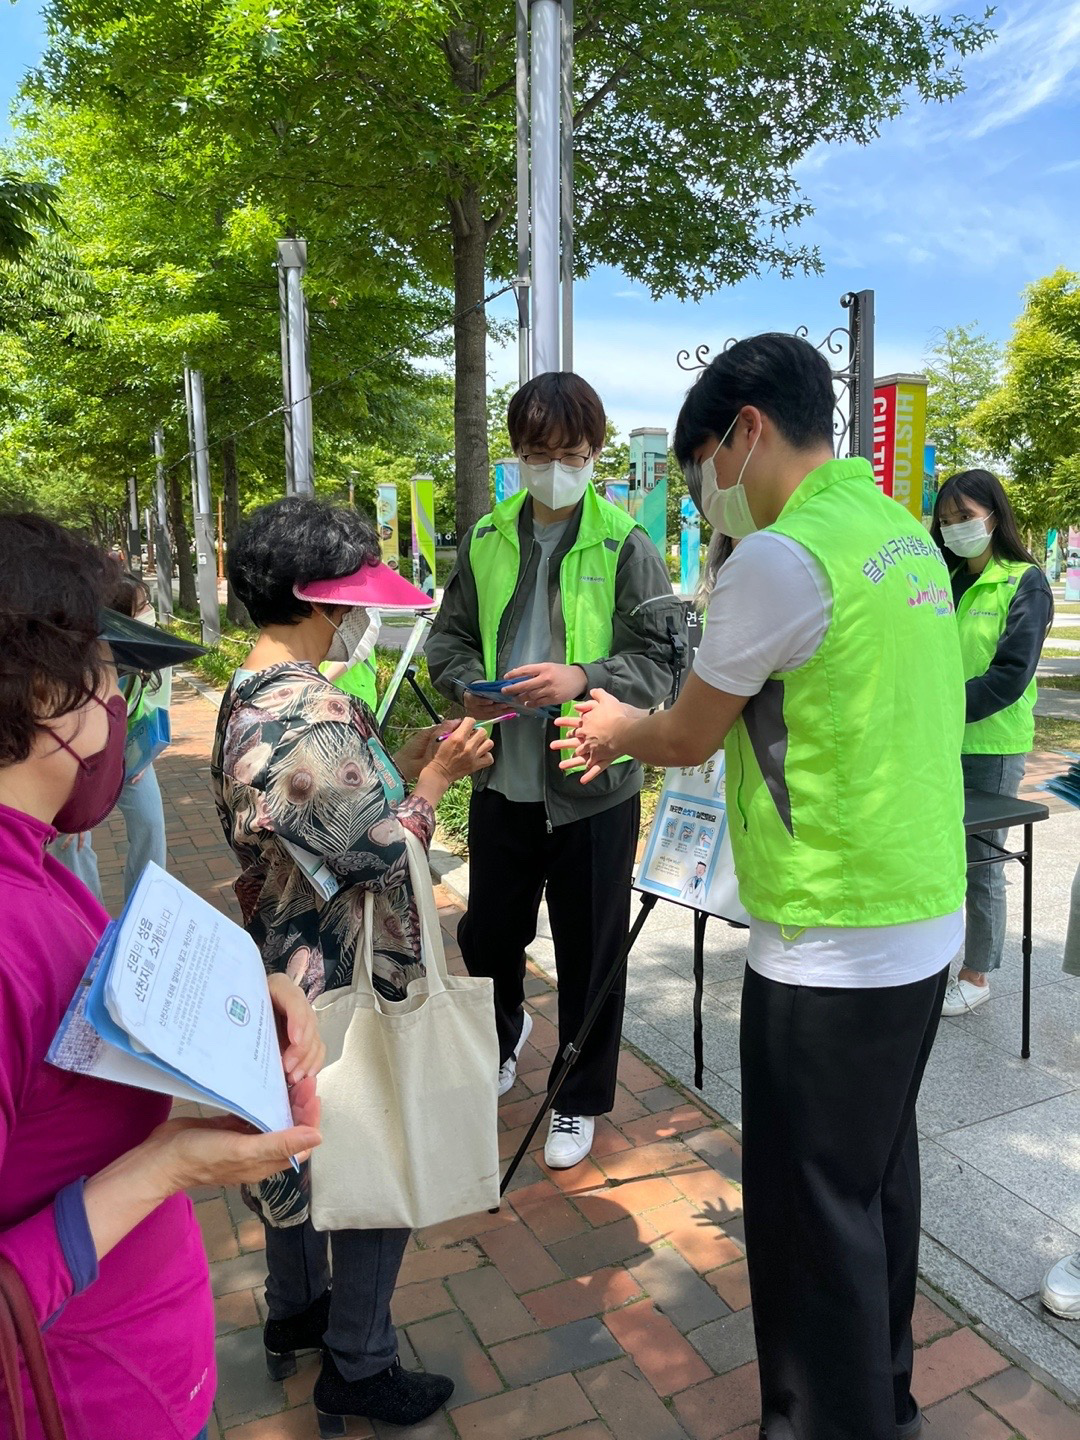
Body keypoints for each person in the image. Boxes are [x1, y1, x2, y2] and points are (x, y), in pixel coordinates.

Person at [556, 334, 967, 1440]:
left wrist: (614, 723)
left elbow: (688, 733)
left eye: (702, 466)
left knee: (807, 1215)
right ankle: (885, 1404)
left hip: (832, 931)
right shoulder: (897, 532)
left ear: (743, 431)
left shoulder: (782, 559)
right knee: (871, 1182)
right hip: (920, 909)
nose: (706, 494)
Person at [0, 513, 324, 1440]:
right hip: (75, 1403)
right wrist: (168, 1164)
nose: (120, 707)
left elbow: (65, 1064)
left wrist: (228, 1007)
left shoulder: (36, 866)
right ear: (45, 692)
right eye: (113, 677)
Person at [211, 496, 494, 1434]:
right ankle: (360, 1362)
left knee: (298, 1139)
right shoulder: (310, 710)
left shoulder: (253, 693)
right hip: (344, 971)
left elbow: (320, 815)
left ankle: (296, 1312)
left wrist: (397, 760)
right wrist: (436, 781)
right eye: (348, 600)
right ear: (311, 598)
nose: (358, 616)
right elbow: (373, 850)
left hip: (286, 960)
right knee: (372, 1139)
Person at [425, 372, 683, 1169]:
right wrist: (465, 685)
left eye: (573, 454)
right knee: (489, 932)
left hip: (592, 785)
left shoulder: (626, 543)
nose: (557, 468)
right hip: (501, 775)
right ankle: (505, 1034)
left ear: (597, 453)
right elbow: (448, 638)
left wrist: (583, 677)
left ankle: (578, 1095)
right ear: (517, 452)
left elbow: (664, 659)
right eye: (540, 453)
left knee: (589, 950)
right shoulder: (485, 537)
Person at [930, 471, 1054, 1016]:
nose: (956, 528)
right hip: (935, 741)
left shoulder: (1024, 581)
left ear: (994, 516)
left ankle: (976, 974)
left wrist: (942, 708)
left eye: (965, 517)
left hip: (990, 746)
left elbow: (1010, 674)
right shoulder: (943, 580)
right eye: (946, 520)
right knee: (938, 856)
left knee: (982, 864)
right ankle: (931, 960)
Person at [52, 567, 170, 903]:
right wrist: (79, 804)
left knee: (150, 826)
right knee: (71, 840)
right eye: (141, 607)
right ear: (119, 620)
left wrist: (144, 755)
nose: (149, 613)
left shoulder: (150, 652)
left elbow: (155, 707)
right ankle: (91, 919)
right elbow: (67, 732)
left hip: (128, 754)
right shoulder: (78, 665)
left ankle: (144, 907)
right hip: (79, 758)